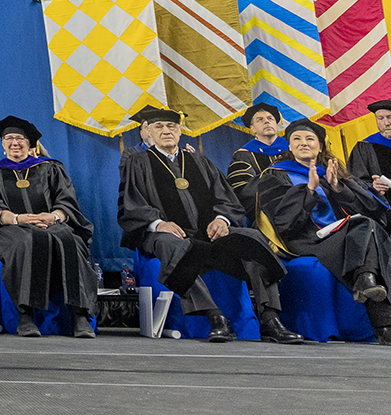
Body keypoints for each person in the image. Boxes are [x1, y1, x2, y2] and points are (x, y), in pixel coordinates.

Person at [117, 106, 302, 344]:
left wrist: (222, 219)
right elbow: (130, 203)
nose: (166, 131)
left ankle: (271, 318)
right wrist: (158, 223)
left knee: (253, 239)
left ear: (180, 132)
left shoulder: (199, 161)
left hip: (208, 232)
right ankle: (214, 317)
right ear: (149, 132)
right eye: (159, 127)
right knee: (171, 244)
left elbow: (226, 198)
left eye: (171, 126)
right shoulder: (138, 162)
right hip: (166, 234)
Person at [255, 118, 391, 346]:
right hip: (304, 239)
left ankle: (366, 282)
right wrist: (308, 191)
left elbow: (372, 212)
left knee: (367, 227)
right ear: (288, 146)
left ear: (320, 146)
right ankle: (384, 324)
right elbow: (283, 222)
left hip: (342, 236)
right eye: (296, 139)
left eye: (310, 139)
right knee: (368, 235)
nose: (303, 143)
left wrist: (338, 187)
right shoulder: (274, 175)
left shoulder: (333, 172)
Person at [0, 116, 96, 338]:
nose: (15, 143)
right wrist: (20, 219)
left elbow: (67, 201)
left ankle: (79, 316)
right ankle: (25, 316)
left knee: (71, 241)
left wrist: (54, 217)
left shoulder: (51, 169)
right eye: (9, 138)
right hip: (13, 229)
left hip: (52, 225)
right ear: (2, 143)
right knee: (25, 242)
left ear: (30, 144)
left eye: (20, 138)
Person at [227, 102, 288, 210]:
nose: (267, 122)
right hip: (265, 210)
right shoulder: (243, 155)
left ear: (276, 124)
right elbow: (243, 190)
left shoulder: (291, 149)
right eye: (260, 120)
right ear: (253, 128)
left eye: (270, 118)